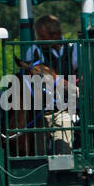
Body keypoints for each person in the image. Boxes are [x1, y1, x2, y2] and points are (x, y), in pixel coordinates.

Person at [21, 14, 78, 154]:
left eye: (42, 36)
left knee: (64, 149)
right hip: (41, 110)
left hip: (66, 107)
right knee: (40, 153)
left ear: (55, 35)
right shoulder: (34, 50)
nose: (39, 40)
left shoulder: (74, 48)